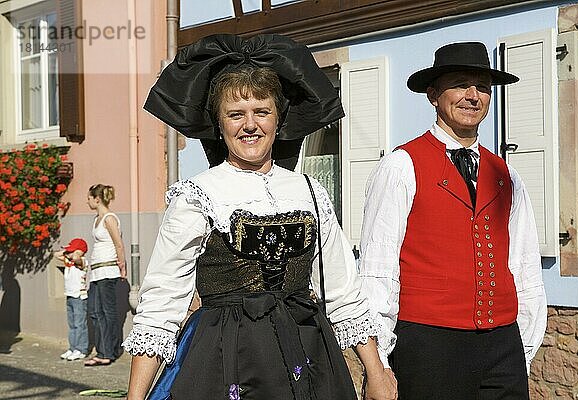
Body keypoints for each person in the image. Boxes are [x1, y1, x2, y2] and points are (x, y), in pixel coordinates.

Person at [122, 34, 397, 400]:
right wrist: (135, 397)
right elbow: (162, 302)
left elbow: (344, 292)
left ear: (278, 120)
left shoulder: (309, 190)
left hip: (309, 353)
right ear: (220, 126)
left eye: (261, 112)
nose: (249, 125)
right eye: (236, 115)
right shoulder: (198, 195)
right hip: (226, 359)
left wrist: (376, 371)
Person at [359, 42, 547, 399]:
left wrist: (520, 346)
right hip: (429, 345)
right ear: (433, 94)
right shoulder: (402, 166)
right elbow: (378, 267)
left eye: (482, 87)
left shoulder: (506, 174)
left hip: (502, 343)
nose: (472, 96)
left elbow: (524, 265)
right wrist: (379, 360)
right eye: (460, 84)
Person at [84, 184, 127, 367]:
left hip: (108, 271)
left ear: (97, 199)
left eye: (89, 198)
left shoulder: (109, 218)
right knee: (95, 312)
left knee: (108, 313)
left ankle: (108, 352)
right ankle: (102, 350)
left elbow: (119, 244)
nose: (87, 201)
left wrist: (122, 267)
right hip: (96, 272)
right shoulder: (97, 219)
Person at [54, 237, 89, 361]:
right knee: (72, 324)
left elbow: (77, 259)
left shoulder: (83, 261)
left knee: (80, 324)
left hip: (79, 297)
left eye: (72, 250)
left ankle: (81, 349)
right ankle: (73, 347)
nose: (69, 253)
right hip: (69, 295)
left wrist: (75, 253)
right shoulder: (68, 261)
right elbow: (56, 255)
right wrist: (67, 252)